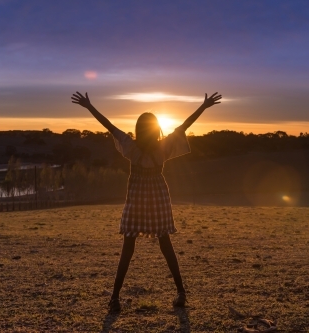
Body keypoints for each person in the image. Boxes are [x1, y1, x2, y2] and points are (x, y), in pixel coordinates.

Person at [71, 91, 222, 312]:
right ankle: (181, 292)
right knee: (165, 243)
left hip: (137, 198)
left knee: (128, 247)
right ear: (156, 129)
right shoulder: (162, 148)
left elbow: (109, 126)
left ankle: (115, 298)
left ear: (138, 129)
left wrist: (89, 106)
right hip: (158, 196)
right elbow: (184, 126)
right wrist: (203, 106)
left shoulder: (131, 147)